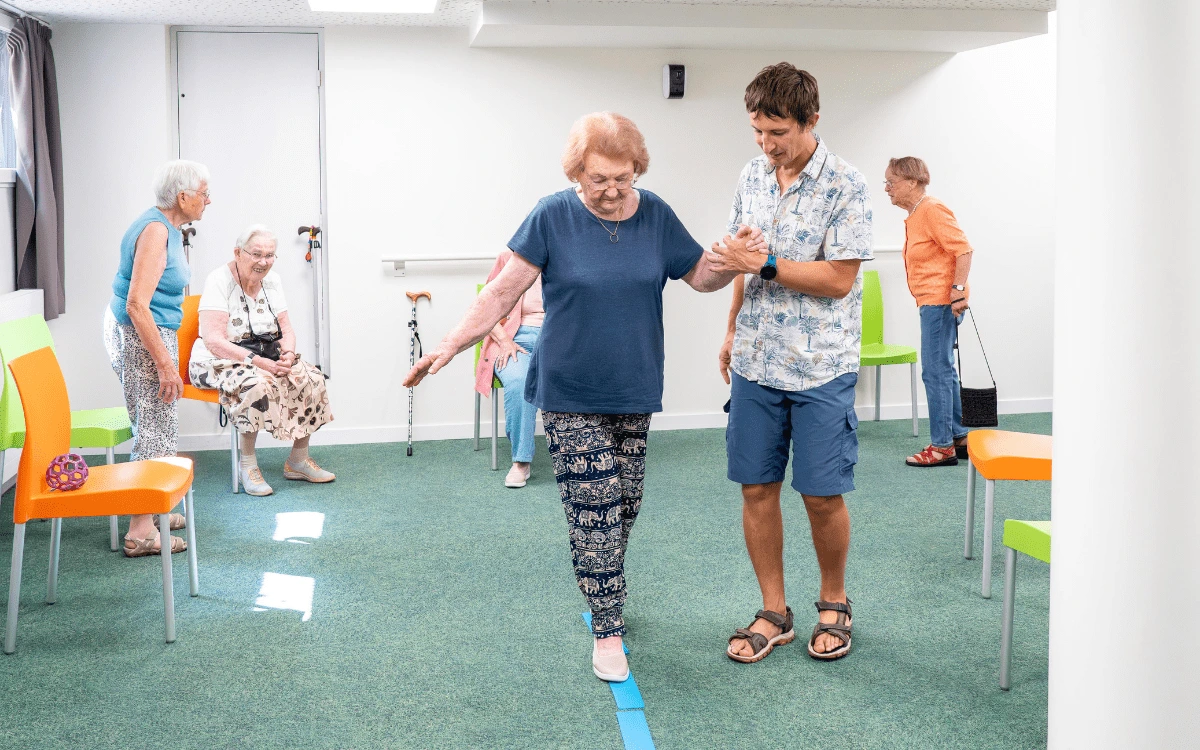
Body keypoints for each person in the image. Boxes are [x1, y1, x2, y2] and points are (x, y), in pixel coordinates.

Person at [404, 112, 763, 683]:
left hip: (635, 389)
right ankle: (608, 631)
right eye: (598, 179)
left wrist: (731, 260)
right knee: (593, 508)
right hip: (569, 390)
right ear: (577, 171)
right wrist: (448, 346)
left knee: (622, 507)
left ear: (637, 169)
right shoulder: (552, 215)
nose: (612, 189)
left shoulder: (657, 216)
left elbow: (699, 275)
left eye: (623, 177)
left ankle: (602, 589)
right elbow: (501, 291)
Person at [709, 63, 872, 663]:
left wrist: (768, 264)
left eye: (777, 132)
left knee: (821, 493)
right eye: (757, 131)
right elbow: (739, 258)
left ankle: (834, 601)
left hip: (820, 365)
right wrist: (730, 329)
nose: (766, 145)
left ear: (811, 120)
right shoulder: (752, 174)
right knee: (757, 487)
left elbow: (838, 279)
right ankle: (773, 610)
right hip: (756, 360)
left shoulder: (847, 185)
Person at [104, 160, 209, 557]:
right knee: (154, 429)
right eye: (203, 193)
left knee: (157, 425)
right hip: (145, 339)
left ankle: (149, 508)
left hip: (148, 336)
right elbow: (136, 305)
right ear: (183, 197)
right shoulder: (155, 232)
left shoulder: (161, 225)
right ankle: (141, 532)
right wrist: (165, 362)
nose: (208, 200)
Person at [188, 225, 335, 496]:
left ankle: (298, 461)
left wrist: (288, 355)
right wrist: (259, 363)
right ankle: (248, 467)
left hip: (265, 353)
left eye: (270, 255)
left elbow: (287, 331)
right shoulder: (218, 280)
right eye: (256, 254)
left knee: (311, 377)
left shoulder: (273, 281)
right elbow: (214, 341)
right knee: (256, 384)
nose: (263, 262)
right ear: (238, 253)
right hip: (217, 360)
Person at [883, 157, 974, 467]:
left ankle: (941, 447)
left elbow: (963, 249)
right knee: (943, 371)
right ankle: (959, 437)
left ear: (911, 182)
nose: (887, 189)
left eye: (891, 182)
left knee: (934, 372)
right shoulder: (917, 213)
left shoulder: (931, 209)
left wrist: (958, 291)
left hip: (939, 302)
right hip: (933, 302)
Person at [475, 251, 544, 488]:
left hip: (559, 340)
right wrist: (504, 341)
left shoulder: (570, 258)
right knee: (520, 383)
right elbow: (484, 309)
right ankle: (521, 462)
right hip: (517, 339)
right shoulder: (509, 260)